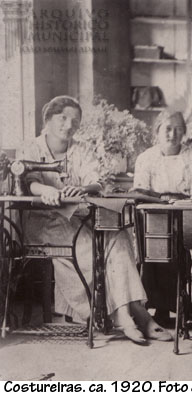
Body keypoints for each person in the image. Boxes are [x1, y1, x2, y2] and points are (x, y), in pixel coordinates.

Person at [18, 95, 171, 344]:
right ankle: (125, 316)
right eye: (63, 118)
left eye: (75, 121)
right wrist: (46, 190)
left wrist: (82, 188)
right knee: (91, 248)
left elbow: (96, 181)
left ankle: (133, 310)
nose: (69, 125)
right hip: (43, 221)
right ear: (48, 119)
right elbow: (30, 181)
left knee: (118, 236)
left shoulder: (80, 149)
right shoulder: (30, 148)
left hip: (76, 218)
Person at [133, 110, 192, 327]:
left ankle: (181, 304)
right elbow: (140, 191)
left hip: (185, 215)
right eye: (167, 129)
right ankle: (159, 306)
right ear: (157, 131)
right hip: (154, 216)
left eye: (178, 129)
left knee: (178, 247)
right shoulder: (146, 158)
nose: (173, 134)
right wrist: (161, 200)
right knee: (155, 245)